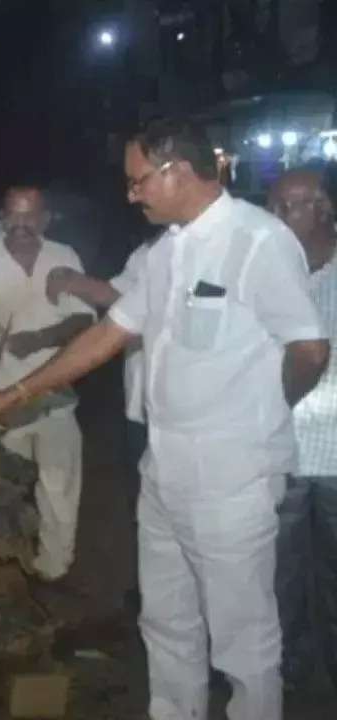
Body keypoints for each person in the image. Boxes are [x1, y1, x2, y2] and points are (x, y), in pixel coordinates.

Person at [0, 117, 331, 720]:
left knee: (244, 643)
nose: (131, 194)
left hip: (231, 477)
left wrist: (267, 412)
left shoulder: (257, 241)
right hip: (162, 469)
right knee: (166, 622)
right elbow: (107, 336)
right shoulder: (167, 252)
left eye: (139, 182)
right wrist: (10, 397)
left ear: (178, 172)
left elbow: (309, 349)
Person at [0, 187, 95, 583]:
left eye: (30, 217)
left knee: (58, 488)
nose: (21, 226)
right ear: (0, 220)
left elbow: (84, 320)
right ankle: (4, 567)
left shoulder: (64, 257)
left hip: (55, 396)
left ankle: (54, 570)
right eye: (13, 218)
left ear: (45, 220)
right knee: (0, 489)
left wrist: (41, 339)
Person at [46, 236, 156, 610]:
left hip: (190, 422)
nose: (136, 196)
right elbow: (120, 297)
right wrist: (77, 283)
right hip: (141, 411)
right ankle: (150, 592)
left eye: (143, 183)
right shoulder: (148, 250)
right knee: (144, 506)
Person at [268, 168, 337, 691]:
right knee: (280, 574)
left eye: (286, 207)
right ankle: (291, 668)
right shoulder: (270, 272)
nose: (277, 218)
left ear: (323, 209)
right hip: (283, 452)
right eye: (272, 206)